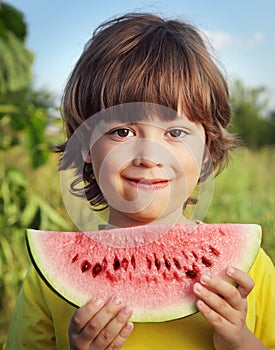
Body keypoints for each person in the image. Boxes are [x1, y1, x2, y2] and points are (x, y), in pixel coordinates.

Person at [5, 13, 275, 350]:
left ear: (206, 150)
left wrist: (239, 341)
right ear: (86, 145)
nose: (149, 155)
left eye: (175, 132)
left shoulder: (250, 271)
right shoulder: (46, 284)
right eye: (122, 131)